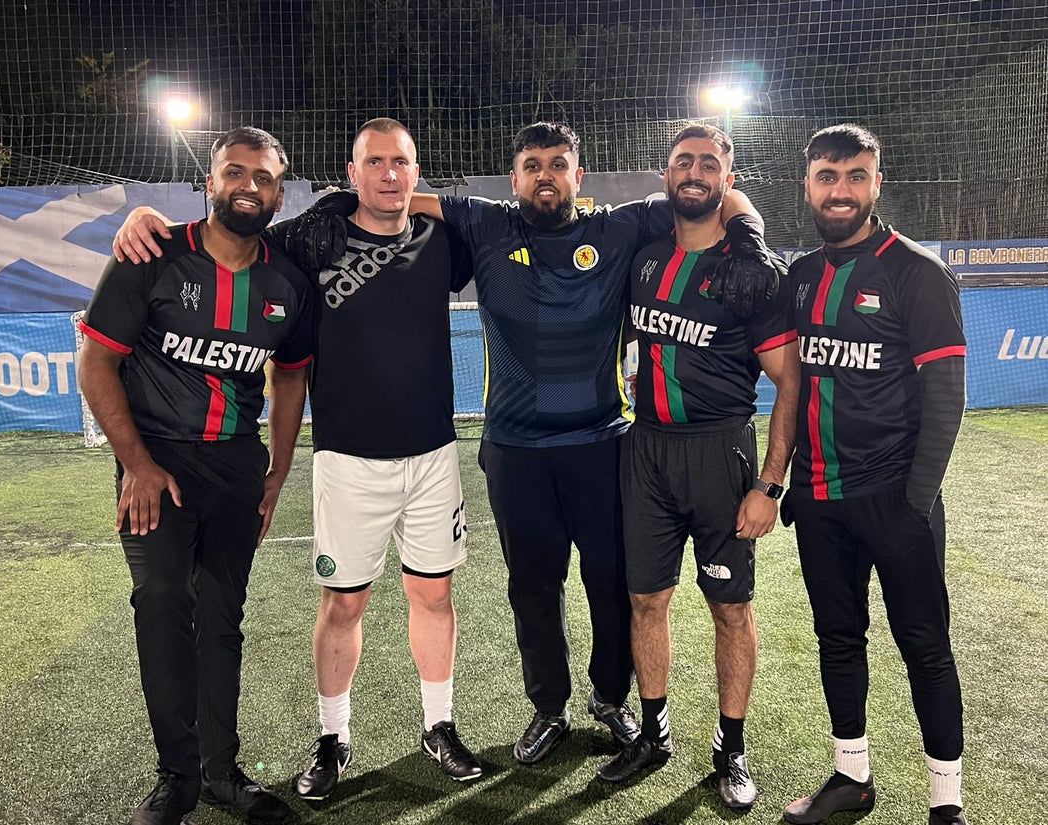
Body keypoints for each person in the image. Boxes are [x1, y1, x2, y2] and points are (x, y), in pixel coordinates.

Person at [112, 118, 483, 803]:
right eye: (375, 162)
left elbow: (510, 230)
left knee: (434, 594)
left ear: (416, 168)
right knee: (343, 603)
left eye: (401, 161)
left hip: (434, 455)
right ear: (351, 173)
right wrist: (146, 220)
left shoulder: (442, 240)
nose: (390, 175)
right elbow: (231, 232)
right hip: (346, 459)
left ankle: (440, 723)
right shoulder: (309, 241)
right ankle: (333, 738)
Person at [405, 121, 785, 766]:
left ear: (578, 177)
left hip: (604, 446)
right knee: (533, 586)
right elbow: (400, 195)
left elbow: (716, 191)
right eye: (532, 165)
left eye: (558, 164)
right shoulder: (487, 222)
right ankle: (547, 709)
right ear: (515, 177)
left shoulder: (616, 227)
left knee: (612, 583)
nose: (545, 175)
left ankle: (612, 698)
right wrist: (336, 200)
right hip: (515, 450)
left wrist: (750, 237)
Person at [79, 126, 313, 825]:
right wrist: (139, 466)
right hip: (156, 462)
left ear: (279, 190)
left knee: (220, 616)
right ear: (209, 183)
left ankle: (221, 772)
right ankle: (175, 776)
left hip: (235, 466)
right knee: (158, 599)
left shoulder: (286, 281)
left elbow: (294, 378)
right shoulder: (150, 255)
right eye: (234, 172)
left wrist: (276, 472)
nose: (249, 186)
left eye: (264, 177)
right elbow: (95, 365)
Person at [594, 124, 798, 812]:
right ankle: (653, 733)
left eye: (709, 163)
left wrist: (769, 484)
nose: (695, 172)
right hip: (645, 450)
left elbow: (789, 383)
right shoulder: (644, 260)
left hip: (721, 452)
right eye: (683, 161)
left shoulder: (748, 274)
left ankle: (730, 748)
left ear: (727, 179)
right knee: (646, 600)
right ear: (666, 174)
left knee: (730, 610)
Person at [781, 124, 968, 825]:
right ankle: (851, 778)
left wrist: (914, 501)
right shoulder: (800, 277)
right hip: (821, 503)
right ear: (808, 184)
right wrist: (795, 485)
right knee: (838, 639)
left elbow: (946, 399)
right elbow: (795, 386)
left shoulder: (916, 272)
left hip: (897, 501)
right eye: (827, 176)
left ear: (876, 183)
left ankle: (946, 799)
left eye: (855, 176)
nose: (840, 190)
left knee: (924, 644)